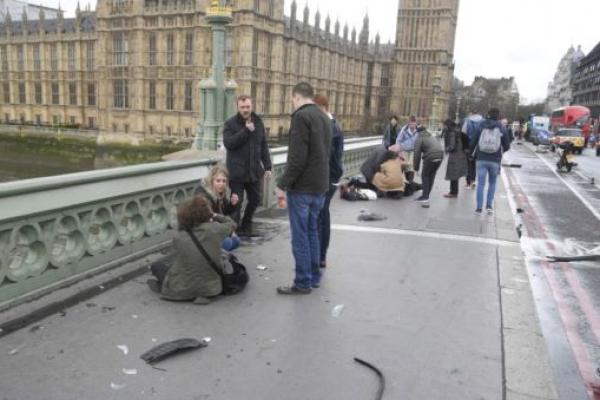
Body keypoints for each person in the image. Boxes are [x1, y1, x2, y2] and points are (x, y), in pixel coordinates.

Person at [275, 82, 332, 295]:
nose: (292, 104)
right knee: (312, 232)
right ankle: (314, 276)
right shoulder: (324, 117)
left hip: (302, 188)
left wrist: (282, 185)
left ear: (297, 97)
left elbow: (297, 159)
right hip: (320, 186)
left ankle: (302, 281)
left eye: (292, 100)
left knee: (300, 235)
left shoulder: (301, 117)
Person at [147, 196, 236, 304]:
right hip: (211, 289)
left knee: (157, 266)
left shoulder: (179, 237)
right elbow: (231, 223)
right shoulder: (214, 229)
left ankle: (168, 287)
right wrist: (215, 215)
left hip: (183, 286)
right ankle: (203, 293)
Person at [223, 95, 272, 236]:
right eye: (242, 107)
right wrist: (245, 131)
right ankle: (233, 230)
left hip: (254, 171)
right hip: (237, 172)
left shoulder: (258, 122)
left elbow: (263, 146)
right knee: (236, 203)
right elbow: (229, 143)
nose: (245, 110)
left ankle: (246, 224)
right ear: (237, 107)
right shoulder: (230, 124)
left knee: (255, 199)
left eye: (247, 107)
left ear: (252, 106)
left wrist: (267, 167)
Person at [313, 94, 344, 269]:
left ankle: (320, 255)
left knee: (321, 216)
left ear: (323, 108)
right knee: (323, 215)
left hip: (328, 177)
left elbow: (325, 155)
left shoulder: (331, 127)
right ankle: (321, 255)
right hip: (330, 176)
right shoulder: (333, 125)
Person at [470, 108, 511, 215]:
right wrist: (500, 150)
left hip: (481, 158)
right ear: (498, 116)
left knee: (481, 184)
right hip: (495, 160)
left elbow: (473, 141)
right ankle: (489, 206)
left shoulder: (481, 125)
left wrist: (470, 152)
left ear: (488, 115)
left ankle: (479, 208)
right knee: (492, 183)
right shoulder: (501, 127)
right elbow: (507, 145)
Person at [194, 164, 241, 252]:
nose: (221, 184)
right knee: (228, 243)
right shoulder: (202, 196)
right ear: (211, 180)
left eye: (224, 181)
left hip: (213, 228)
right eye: (218, 181)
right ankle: (212, 258)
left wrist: (232, 204)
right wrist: (229, 231)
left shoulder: (219, 192)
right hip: (200, 232)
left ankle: (217, 257)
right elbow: (208, 222)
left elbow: (225, 212)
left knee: (236, 241)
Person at [413, 126, 444, 208]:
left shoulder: (420, 138)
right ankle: (426, 195)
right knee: (431, 175)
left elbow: (416, 154)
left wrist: (416, 168)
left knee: (425, 175)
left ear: (418, 132)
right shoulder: (431, 136)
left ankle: (425, 197)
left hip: (431, 156)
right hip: (440, 155)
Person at [442, 119, 468, 198]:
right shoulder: (457, 130)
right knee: (455, 174)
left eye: (444, 125)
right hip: (460, 155)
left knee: (453, 174)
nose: (443, 127)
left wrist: (445, 150)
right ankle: (453, 192)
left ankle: (453, 192)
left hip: (455, 155)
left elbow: (452, 146)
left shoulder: (452, 132)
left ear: (447, 125)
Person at [462, 109, 483, 189]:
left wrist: (464, 146)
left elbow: (463, 133)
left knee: (468, 164)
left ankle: (468, 182)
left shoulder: (467, 120)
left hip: (469, 145)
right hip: (479, 146)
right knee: (474, 164)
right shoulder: (483, 121)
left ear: (471, 114)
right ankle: (473, 180)